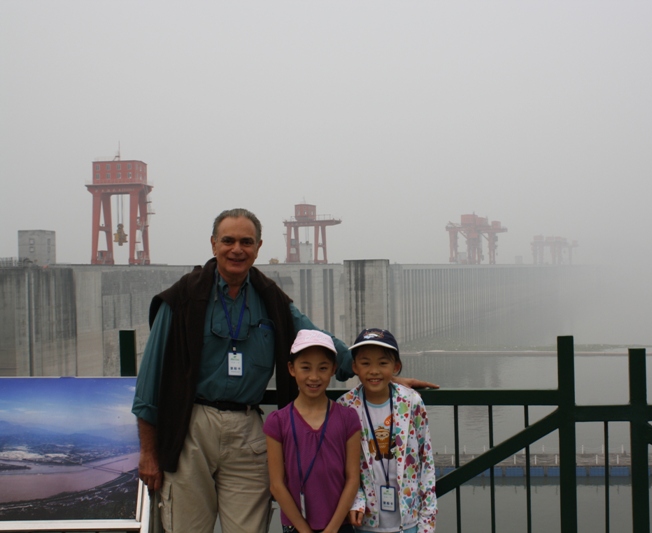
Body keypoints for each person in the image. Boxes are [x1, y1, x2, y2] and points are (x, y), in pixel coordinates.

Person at [132, 208, 437, 533]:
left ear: (258, 247)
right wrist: (148, 452)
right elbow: (149, 383)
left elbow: (319, 341)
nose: (237, 249)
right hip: (191, 425)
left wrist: (373, 376)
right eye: (228, 240)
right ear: (213, 244)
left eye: (246, 242)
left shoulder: (270, 300)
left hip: (246, 430)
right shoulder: (181, 299)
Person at [337, 329, 437, 533]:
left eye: (383, 363)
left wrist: (427, 523)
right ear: (354, 366)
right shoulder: (346, 407)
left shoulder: (411, 402)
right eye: (365, 363)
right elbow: (342, 465)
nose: (374, 371)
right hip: (365, 522)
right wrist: (356, 500)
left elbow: (425, 461)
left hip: (409, 522)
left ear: (396, 366)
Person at [264, 330, 361, 533]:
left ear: (334, 369)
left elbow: (352, 478)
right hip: (295, 526)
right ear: (292, 369)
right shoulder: (278, 422)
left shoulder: (347, 418)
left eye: (323, 368)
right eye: (305, 368)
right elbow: (276, 485)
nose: (314, 377)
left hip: (339, 526)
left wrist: (333, 528)